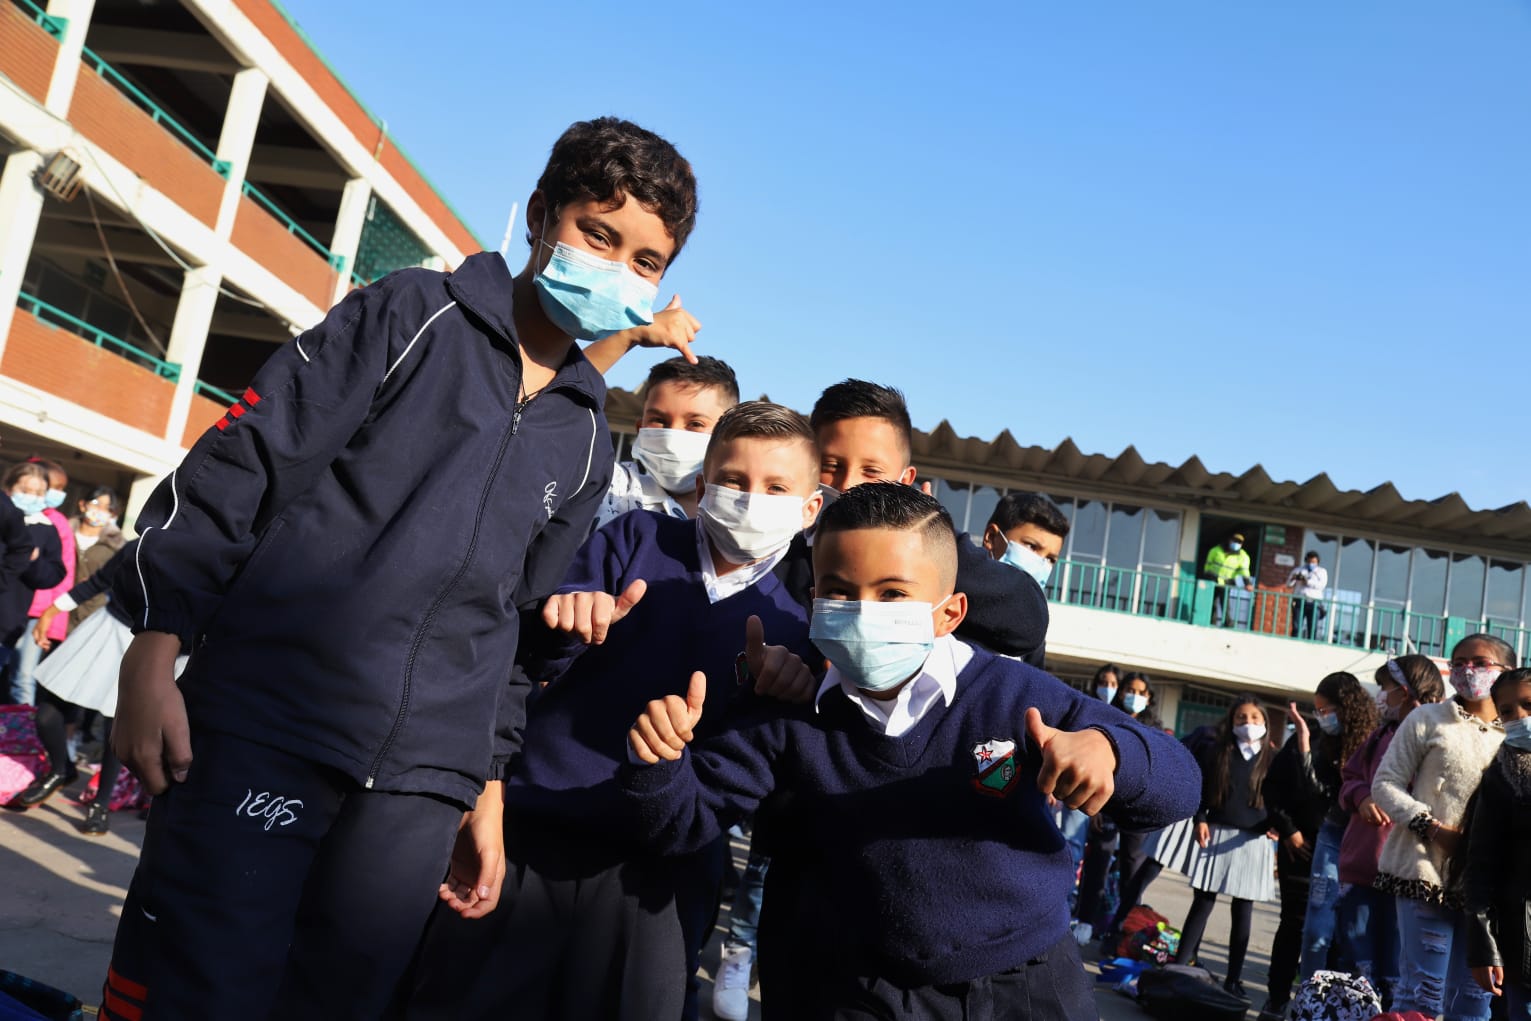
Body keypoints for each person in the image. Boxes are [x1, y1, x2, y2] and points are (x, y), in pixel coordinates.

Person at [99, 116, 698, 1021]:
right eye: (597, 234)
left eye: (645, 261)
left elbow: (512, 623)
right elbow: (242, 469)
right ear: (540, 216)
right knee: (197, 983)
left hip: (421, 788)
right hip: (270, 724)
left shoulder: (582, 430)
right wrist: (154, 649)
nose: (616, 268)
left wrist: (482, 785)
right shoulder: (412, 314)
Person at [621, 482, 1201, 1019]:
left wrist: (1111, 753)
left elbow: (1177, 782)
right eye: (841, 592)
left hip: (1021, 984)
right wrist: (659, 760)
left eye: (893, 593)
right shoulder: (788, 709)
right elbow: (682, 823)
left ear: (949, 612)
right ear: (815, 598)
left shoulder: (1011, 694)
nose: (864, 610)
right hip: (851, 988)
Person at [406, 402, 823, 1021]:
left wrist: (795, 685)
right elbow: (532, 658)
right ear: (704, 484)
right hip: (534, 831)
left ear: (810, 508)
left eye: (776, 487)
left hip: (664, 875)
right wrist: (568, 624)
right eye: (734, 481)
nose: (749, 499)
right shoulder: (637, 538)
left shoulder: (798, 621)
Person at [1371, 633, 1511, 1021]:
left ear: (1508, 672)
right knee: (1423, 997)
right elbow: (1384, 784)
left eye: (1480, 663)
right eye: (1460, 661)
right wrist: (1432, 828)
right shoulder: (1427, 718)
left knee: (1473, 1002)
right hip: (1424, 869)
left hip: (1488, 889)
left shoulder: (1519, 734)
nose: (1468, 670)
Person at [4, 541, 187, 836]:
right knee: (47, 716)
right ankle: (61, 769)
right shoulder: (139, 546)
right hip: (104, 630)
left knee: (117, 727)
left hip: (151, 647)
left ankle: (100, 805)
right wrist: (51, 611)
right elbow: (100, 581)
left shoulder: (204, 559)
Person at [1259, 673, 1377, 1019]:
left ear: (1348, 708)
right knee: (1295, 926)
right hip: (1300, 847)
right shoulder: (1305, 737)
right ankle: (1278, 997)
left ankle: (1326, 1004)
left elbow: (1336, 799)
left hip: (1347, 850)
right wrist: (1288, 830)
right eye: (1319, 709)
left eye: (1328, 709)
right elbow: (1273, 790)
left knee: (1338, 935)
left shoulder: (1367, 744)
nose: (1323, 716)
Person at [1335, 656, 1444, 1009]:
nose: (1381, 695)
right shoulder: (1378, 735)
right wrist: (1363, 796)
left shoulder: (1437, 736)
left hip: (1408, 872)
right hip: (1362, 864)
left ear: (1406, 689)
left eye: (1385, 688)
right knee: (1356, 959)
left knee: (1400, 966)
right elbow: (1350, 779)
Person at [1175, 697, 1278, 999]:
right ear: (1231, 722)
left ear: (1265, 723)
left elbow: (1280, 799)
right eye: (1241, 718)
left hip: (1254, 839)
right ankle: (1180, 965)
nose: (1248, 724)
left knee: (1243, 910)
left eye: (1255, 718)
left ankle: (1233, 978)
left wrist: (1278, 828)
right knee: (1203, 902)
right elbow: (1204, 788)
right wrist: (1201, 819)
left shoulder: (1272, 758)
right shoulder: (1218, 752)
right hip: (1217, 831)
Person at [593, 355, 739, 529]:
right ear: (641, 429)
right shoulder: (610, 488)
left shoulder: (740, 519)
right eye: (659, 420)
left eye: (695, 424)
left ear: (726, 435)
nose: (672, 436)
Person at [1465, 667, 1531, 1019]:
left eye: (1529, 704)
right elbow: (1480, 865)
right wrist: (1483, 947)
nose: (1519, 718)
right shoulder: (1501, 778)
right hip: (1524, 943)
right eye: (1507, 711)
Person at [10, 458, 75, 706]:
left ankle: (19, 743)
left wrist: (52, 621)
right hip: (11, 604)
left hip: (37, 613)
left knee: (24, 677)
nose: (56, 493)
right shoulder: (13, 514)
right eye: (54, 487)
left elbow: (63, 574)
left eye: (60, 488)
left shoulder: (54, 524)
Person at [0, 463, 67, 664]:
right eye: (25, 491)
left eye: (39, 492)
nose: (32, 497)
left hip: (7, 622)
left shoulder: (46, 529)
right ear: (9, 489)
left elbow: (54, 575)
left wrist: (34, 560)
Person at [980, 490, 1070, 587]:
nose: (1040, 566)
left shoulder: (1033, 601)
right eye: (1031, 546)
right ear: (991, 537)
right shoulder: (962, 591)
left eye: (1050, 559)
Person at [1203, 532, 1254, 628]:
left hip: (1227, 582)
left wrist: (1247, 583)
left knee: (1225, 603)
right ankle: (1211, 622)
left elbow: (1244, 571)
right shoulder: (1216, 550)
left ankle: (1228, 623)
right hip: (1213, 580)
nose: (1237, 544)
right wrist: (1207, 577)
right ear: (1230, 540)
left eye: (1239, 542)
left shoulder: (1243, 556)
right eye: (1235, 541)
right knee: (1212, 603)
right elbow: (1208, 565)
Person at [1286, 551, 1328, 640]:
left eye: (1313, 562)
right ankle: (1293, 644)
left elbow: (1321, 585)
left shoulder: (1321, 572)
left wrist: (1307, 581)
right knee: (1296, 627)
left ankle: (1311, 648)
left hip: (1314, 602)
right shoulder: (1298, 570)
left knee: (1312, 628)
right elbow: (1288, 584)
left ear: (1317, 562)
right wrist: (1294, 578)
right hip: (1299, 601)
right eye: (1309, 562)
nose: (1311, 564)